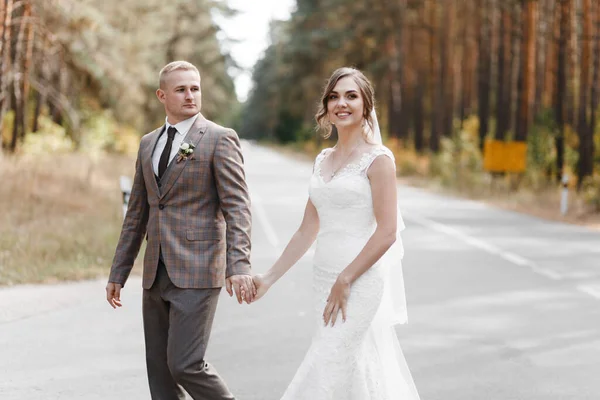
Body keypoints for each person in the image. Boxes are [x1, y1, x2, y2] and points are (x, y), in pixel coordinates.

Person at [252, 67, 420, 399]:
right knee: (351, 364)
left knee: (329, 360)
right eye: (334, 96)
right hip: (323, 279)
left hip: (359, 279)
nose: (341, 103)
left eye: (351, 96)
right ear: (326, 106)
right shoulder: (322, 160)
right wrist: (268, 278)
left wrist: (346, 279)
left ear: (366, 106)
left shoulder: (379, 161)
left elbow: (387, 232)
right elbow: (306, 231)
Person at [105, 60, 255, 400]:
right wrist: (119, 270)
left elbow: (237, 207)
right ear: (162, 95)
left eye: (195, 88)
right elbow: (137, 213)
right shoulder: (148, 144)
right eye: (181, 89)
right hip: (155, 274)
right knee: (159, 371)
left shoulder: (219, 139)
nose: (190, 95)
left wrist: (239, 265)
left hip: (199, 269)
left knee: (185, 363)